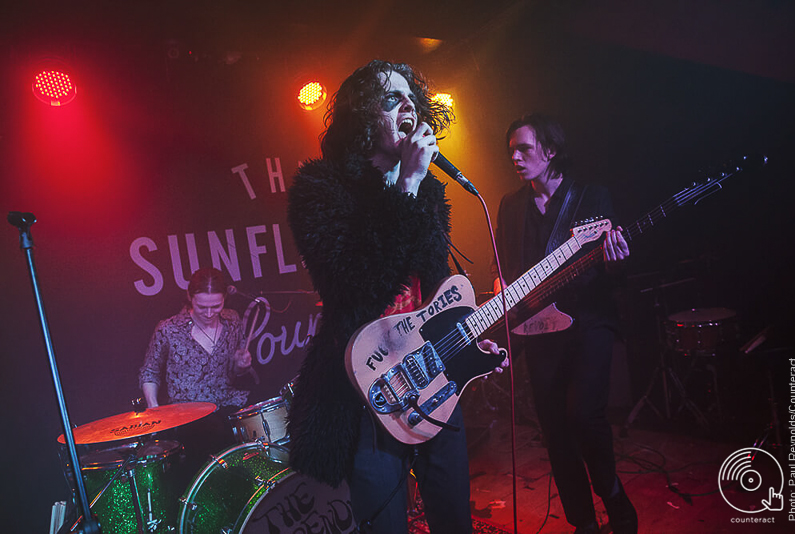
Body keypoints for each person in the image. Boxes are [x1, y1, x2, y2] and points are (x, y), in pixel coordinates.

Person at [286, 60, 502, 534]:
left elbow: (435, 292)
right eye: (390, 99)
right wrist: (405, 184)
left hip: (432, 381)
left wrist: (465, 343)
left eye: (411, 98)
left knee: (455, 520)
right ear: (362, 118)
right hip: (368, 392)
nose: (407, 105)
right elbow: (355, 282)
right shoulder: (321, 189)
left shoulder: (428, 191)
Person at [493, 114, 637, 533]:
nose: (516, 158)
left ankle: (617, 504)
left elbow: (613, 272)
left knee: (584, 417)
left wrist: (616, 260)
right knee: (554, 428)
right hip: (538, 328)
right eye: (511, 151)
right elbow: (502, 264)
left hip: (588, 320)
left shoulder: (591, 198)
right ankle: (583, 522)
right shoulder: (510, 205)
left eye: (524, 148)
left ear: (550, 151)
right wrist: (501, 286)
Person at [138, 267, 257, 478]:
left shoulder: (232, 320)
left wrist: (242, 365)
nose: (210, 313)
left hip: (226, 403)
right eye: (202, 306)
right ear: (189, 298)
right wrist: (154, 407)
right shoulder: (168, 329)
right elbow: (150, 371)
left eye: (216, 306)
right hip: (187, 412)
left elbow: (235, 372)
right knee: (210, 434)